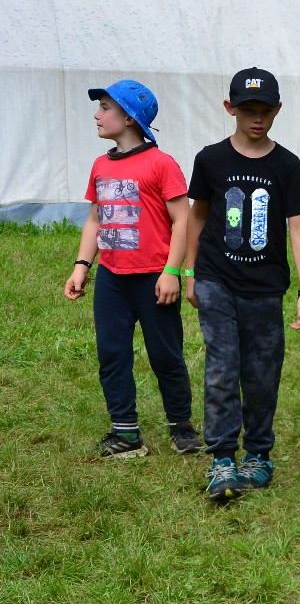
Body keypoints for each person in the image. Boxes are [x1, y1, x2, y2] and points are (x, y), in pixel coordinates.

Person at [183, 68, 300, 502]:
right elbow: (197, 216)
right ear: (230, 109)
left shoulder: (287, 165)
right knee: (222, 368)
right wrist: (189, 272)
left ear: (278, 110)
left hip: (265, 287)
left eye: (265, 110)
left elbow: (298, 227)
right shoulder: (210, 159)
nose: (256, 118)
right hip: (215, 279)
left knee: (261, 373)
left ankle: (258, 454)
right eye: (247, 110)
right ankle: (222, 459)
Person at [62, 79, 202, 458]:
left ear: (129, 118)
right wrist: (82, 266)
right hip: (112, 280)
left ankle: (181, 426)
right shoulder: (100, 165)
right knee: (112, 354)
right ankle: (126, 434)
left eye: (105, 108)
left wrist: (172, 272)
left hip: (154, 279)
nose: (97, 115)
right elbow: (95, 220)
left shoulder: (161, 164)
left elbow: (183, 220)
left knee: (166, 355)